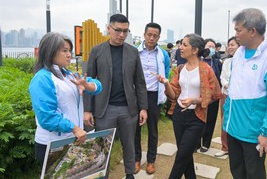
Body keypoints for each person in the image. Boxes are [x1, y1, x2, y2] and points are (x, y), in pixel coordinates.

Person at [223, 8, 267, 178]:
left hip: (253, 134)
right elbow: (234, 91)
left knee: (254, 174)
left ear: (252, 31)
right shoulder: (238, 55)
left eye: (238, 30)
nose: (235, 34)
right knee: (237, 172)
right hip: (232, 129)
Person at [83, 14, 148, 179]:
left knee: (129, 145)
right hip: (104, 108)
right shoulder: (97, 51)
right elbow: (88, 81)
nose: (122, 35)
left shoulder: (132, 52)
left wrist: (143, 108)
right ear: (108, 28)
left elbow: (140, 82)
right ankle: (102, 175)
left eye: (125, 31)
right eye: (118, 30)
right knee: (103, 146)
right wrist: (87, 110)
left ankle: (129, 174)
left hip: (128, 108)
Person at [29, 32, 102, 165]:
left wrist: (87, 85)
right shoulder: (42, 79)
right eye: (64, 51)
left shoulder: (69, 75)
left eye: (70, 50)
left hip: (74, 138)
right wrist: (74, 128)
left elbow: (98, 86)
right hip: (52, 144)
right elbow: (47, 117)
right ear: (50, 52)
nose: (69, 55)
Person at [157, 33, 222, 179]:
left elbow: (215, 95)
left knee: (181, 157)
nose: (180, 47)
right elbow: (173, 95)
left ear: (195, 50)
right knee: (185, 155)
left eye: (185, 45)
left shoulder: (206, 69)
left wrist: (195, 100)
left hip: (196, 118)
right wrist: (166, 83)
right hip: (179, 115)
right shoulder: (180, 68)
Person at [135, 22, 170, 174]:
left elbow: (166, 72)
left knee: (153, 129)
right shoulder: (135, 52)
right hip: (137, 94)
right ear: (144, 35)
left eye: (155, 36)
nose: (151, 38)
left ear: (158, 37)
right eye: (149, 35)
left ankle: (151, 160)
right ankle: (136, 159)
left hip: (154, 94)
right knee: (135, 128)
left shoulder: (163, 54)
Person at [215, 36, 239, 157]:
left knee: (237, 121)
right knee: (225, 120)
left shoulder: (245, 62)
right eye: (229, 45)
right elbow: (222, 77)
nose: (230, 47)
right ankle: (225, 147)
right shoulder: (227, 62)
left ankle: (236, 148)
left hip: (239, 97)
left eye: (232, 45)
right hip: (226, 94)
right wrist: (226, 84)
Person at [197, 38, 222, 153]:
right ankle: (196, 142)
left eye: (213, 47)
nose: (211, 49)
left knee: (211, 120)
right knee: (198, 119)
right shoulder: (198, 61)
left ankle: (206, 143)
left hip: (213, 97)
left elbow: (220, 78)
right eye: (209, 46)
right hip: (199, 96)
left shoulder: (217, 62)